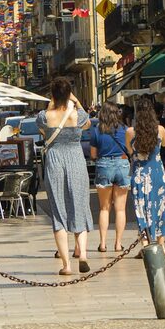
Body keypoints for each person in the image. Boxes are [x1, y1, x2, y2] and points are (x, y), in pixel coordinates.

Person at [36, 78, 94, 275]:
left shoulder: (45, 116)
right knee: (80, 205)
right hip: (76, 159)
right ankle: (83, 254)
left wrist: (52, 102)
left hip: (55, 160)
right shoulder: (78, 115)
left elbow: (43, 130)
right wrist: (74, 100)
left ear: (52, 94)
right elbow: (87, 124)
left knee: (59, 210)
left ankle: (66, 265)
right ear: (69, 93)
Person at [87, 102, 133, 254]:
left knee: (104, 208)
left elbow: (93, 155)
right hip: (122, 163)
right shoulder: (125, 130)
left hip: (104, 165)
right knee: (120, 209)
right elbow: (130, 150)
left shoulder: (97, 131)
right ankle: (118, 244)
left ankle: (102, 244)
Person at [129, 102, 165, 256]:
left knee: (141, 209)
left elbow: (129, 150)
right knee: (159, 208)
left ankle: (146, 245)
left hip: (140, 174)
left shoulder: (131, 132)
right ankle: (161, 245)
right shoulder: (160, 130)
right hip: (157, 173)